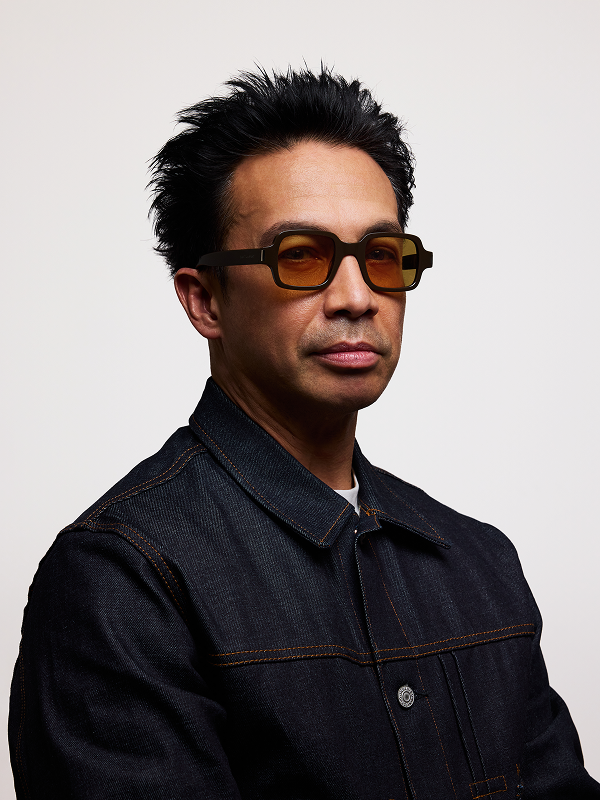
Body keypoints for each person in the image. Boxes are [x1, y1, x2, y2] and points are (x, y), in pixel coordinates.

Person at [9, 67, 599, 799]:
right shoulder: (124, 577)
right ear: (205, 300)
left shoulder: (478, 561)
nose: (357, 297)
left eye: (381, 257)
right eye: (300, 257)